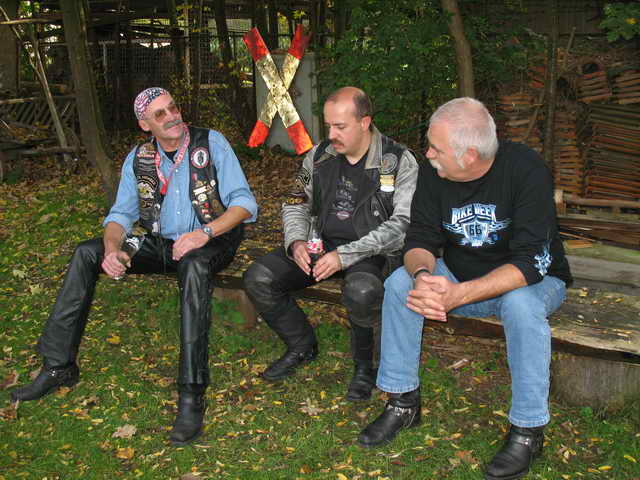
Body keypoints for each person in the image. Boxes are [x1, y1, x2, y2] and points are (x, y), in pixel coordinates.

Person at [11, 87, 258, 446]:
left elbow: (245, 204)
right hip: (159, 241)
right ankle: (57, 366)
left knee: (193, 267)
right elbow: (121, 215)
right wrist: (113, 250)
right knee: (86, 252)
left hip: (212, 240)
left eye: (173, 107)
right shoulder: (140, 157)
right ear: (145, 124)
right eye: (160, 114)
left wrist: (204, 233)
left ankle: (191, 393)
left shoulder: (210, 143)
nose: (172, 116)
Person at [358, 98, 572, 480]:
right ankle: (403, 402)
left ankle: (528, 430)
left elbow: (531, 263)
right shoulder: (434, 173)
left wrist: (458, 295)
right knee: (399, 283)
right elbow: (420, 238)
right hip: (459, 275)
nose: (428, 154)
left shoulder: (527, 170)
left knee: (521, 307)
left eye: (435, 148)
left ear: (469, 155)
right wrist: (423, 276)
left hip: (531, 283)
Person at [242, 86, 418, 401]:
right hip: (319, 244)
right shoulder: (320, 155)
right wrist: (296, 241)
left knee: (362, 291)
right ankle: (301, 345)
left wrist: (345, 256)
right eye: (328, 126)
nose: (331, 135)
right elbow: (295, 201)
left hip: (371, 251)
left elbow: (401, 225)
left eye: (340, 126)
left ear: (365, 123)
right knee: (259, 277)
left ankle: (366, 367)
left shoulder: (397, 160)